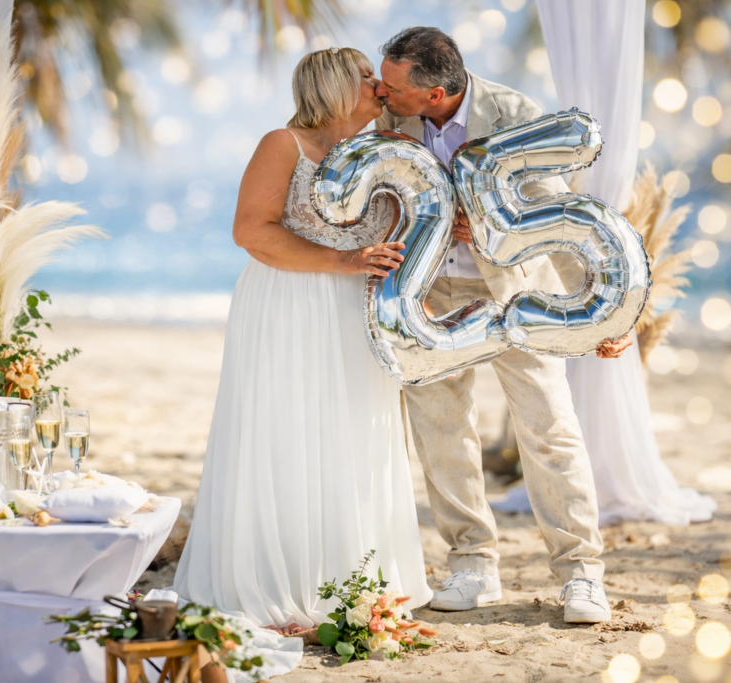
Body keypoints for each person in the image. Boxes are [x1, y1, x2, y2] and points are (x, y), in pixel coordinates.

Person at [372, 26, 631, 624]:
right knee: (441, 430)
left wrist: (602, 313)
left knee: (549, 427)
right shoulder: (389, 124)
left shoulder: (514, 114)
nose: (382, 94)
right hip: (429, 294)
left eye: (394, 86)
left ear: (434, 93)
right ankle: (473, 563)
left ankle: (580, 575)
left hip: (518, 291)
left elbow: (557, 216)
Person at [174, 47, 434, 633]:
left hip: (356, 309)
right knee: (285, 431)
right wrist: (340, 260)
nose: (379, 85)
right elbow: (250, 231)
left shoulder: (387, 147)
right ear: (336, 88)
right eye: (367, 78)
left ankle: (356, 580)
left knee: (356, 435)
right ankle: (278, 580)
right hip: (290, 304)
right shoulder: (282, 145)